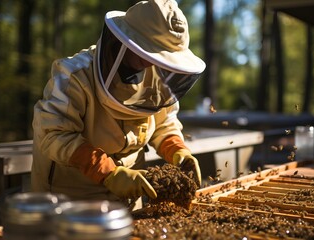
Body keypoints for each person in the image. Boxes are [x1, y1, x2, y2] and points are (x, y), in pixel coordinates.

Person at [31, 0, 205, 203]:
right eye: (149, 51)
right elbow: (54, 134)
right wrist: (107, 172)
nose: (152, 62)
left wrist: (176, 149)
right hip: (70, 200)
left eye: (161, 57)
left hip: (129, 194)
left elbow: (164, 123)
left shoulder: (157, 77)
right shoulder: (74, 75)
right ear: (125, 40)